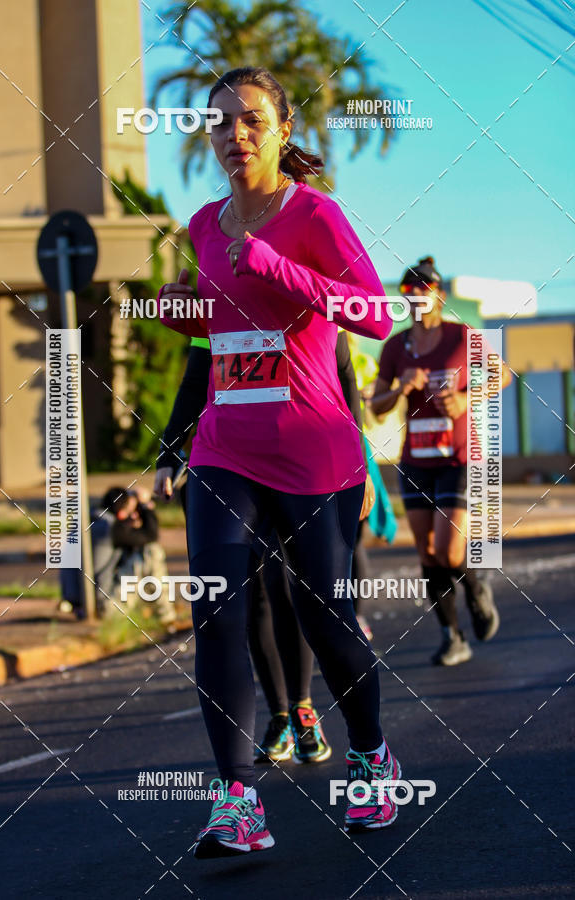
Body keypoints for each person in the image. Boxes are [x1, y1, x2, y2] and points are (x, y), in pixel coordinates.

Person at [157, 66, 400, 858]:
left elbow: (373, 312)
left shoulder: (316, 216)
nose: (235, 135)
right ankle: (236, 802)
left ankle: (371, 756)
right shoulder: (200, 224)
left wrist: (275, 266)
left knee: (326, 623)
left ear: (283, 131)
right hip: (226, 450)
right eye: (221, 121)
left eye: (252, 120)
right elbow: (213, 341)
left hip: (314, 452)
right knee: (217, 617)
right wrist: (180, 314)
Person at [155, 331, 375, 766]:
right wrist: (168, 453)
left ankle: (304, 708)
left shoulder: (311, 288)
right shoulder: (215, 294)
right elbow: (197, 378)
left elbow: (346, 381)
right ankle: (277, 718)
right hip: (229, 467)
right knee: (243, 602)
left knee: (294, 595)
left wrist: (359, 461)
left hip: (302, 469)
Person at [370, 256, 511, 665]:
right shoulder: (395, 347)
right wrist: (399, 390)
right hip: (415, 459)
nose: (416, 300)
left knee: (450, 553)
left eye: (424, 292)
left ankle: (476, 586)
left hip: (458, 456)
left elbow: (502, 374)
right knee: (427, 552)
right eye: (409, 294)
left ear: (438, 295)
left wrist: (468, 397)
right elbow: (378, 408)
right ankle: (453, 636)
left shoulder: (461, 336)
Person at [91, 486, 170, 619]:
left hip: (82, 604)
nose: (135, 515)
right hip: (107, 607)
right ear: (121, 513)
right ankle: (165, 616)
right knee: (150, 551)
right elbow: (151, 535)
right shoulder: (111, 529)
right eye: (132, 510)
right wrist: (146, 506)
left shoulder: (92, 521)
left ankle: (150, 610)